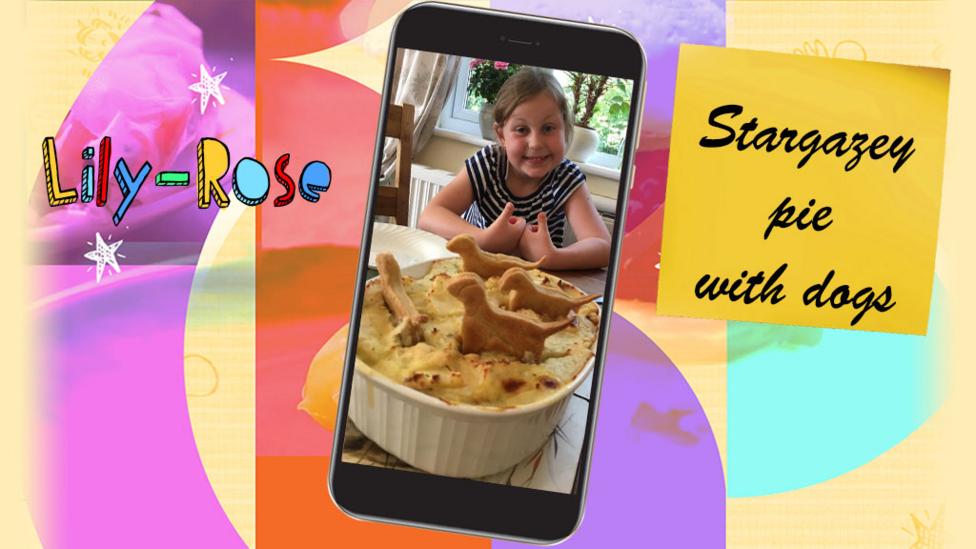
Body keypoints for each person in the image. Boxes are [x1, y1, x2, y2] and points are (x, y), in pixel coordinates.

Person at [418, 67, 611, 270]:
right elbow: (430, 216)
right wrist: (484, 239)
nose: (535, 143)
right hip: (475, 273)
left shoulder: (566, 177)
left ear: (565, 129)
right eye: (521, 130)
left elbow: (604, 247)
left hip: (536, 281)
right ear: (502, 135)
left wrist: (553, 257)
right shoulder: (488, 163)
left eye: (548, 128)